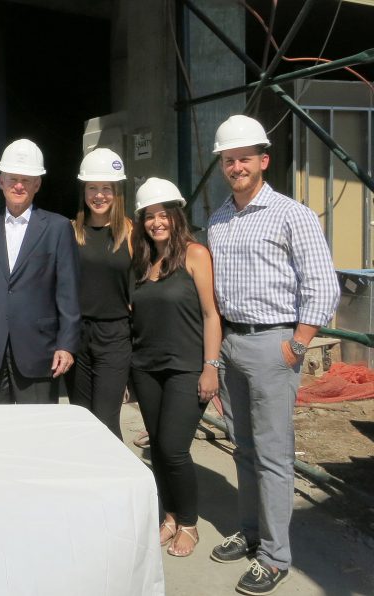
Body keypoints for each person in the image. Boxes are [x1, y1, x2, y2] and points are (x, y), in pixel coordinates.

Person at [207, 115, 339, 595]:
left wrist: (296, 344)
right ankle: (250, 530)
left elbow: (323, 286)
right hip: (232, 343)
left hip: (273, 344)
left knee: (274, 455)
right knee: (242, 446)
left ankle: (275, 556)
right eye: (228, 159)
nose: (236, 166)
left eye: (244, 158)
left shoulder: (291, 214)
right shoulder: (218, 218)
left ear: (263, 160)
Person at [128, 177, 221, 559]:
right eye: (149, 216)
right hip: (146, 368)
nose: (156, 222)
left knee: (173, 448)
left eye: (163, 213)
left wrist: (210, 366)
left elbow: (210, 314)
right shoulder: (143, 260)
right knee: (159, 449)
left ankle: (189, 523)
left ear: (176, 215)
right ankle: (168, 516)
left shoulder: (195, 254)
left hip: (185, 368)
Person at [0, 139, 79, 403]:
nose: (18, 185)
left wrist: (66, 345)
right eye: (12, 178)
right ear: (1, 181)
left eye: (26, 180)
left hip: (40, 351)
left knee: (37, 435)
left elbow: (68, 292)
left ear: (37, 184)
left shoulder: (58, 228)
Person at [64, 148, 133, 439]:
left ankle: (117, 484)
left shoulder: (132, 233)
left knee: (105, 421)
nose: (99, 195)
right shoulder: (69, 232)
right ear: (84, 191)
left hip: (114, 335)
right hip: (77, 335)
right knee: (82, 419)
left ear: (117, 192)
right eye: (93, 187)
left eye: (107, 188)